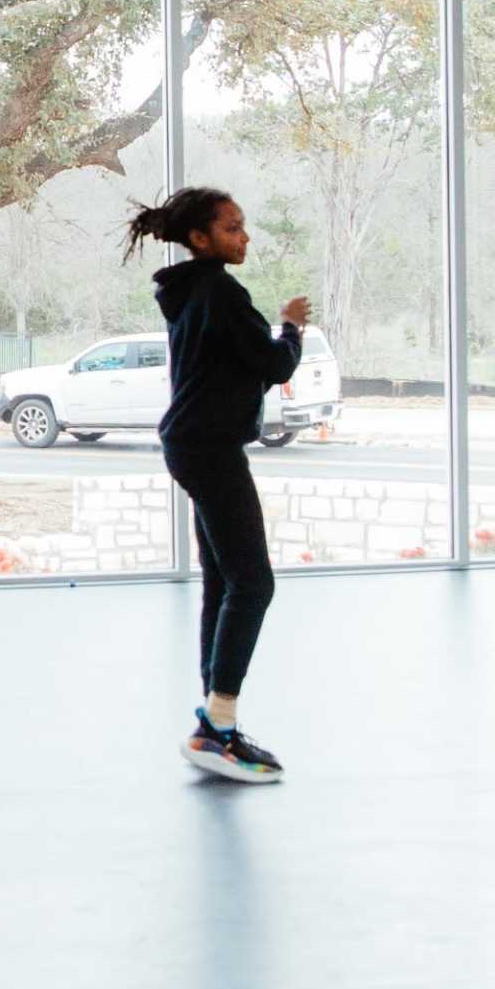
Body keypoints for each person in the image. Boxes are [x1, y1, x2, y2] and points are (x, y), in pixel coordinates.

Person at [128, 188, 307, 784]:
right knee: (253, 582)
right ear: (201, 238)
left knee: (224, 580)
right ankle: (217, 725)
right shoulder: (221, 294)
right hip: (208, 448)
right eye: (232, 228)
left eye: (243, 226)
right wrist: (292, 327)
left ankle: (216, 720)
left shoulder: (189, 293)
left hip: (192, 445)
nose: (245, 236)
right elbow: (275, 366)